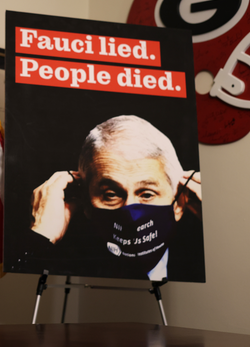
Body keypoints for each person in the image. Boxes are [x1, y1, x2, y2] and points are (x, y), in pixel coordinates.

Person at [28, 115, 204, 281]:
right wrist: (42, 235)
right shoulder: (62, 265)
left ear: (179, 204)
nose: (131, 213)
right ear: (87, 204)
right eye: (111, 195)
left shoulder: (199, 263)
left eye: (147, 194)